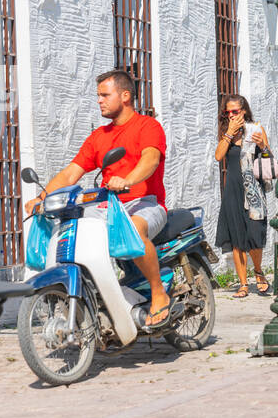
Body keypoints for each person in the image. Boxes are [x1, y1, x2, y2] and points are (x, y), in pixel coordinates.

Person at [26, 69, 171, 328]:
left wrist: (128, 179)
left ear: (125, 96)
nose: (99, 100)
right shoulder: (99, 137)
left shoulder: (148, 126)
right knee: (71, 232)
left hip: (145, 203)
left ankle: (158, 292)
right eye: (98, 96)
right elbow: (72, 172)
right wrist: (42, 197)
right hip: (108, 207)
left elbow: (150, 159)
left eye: (105, 95)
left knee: (134, 230)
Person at [214, 94, 272, 299]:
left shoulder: (256, 129)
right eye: (227, 112)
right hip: (233, 190)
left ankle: (258, 271)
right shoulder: (226, 133)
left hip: (254, 189)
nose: (231, 115)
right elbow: (218, 156)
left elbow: (268, 159)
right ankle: (243, 283)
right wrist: (229, 134)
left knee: (255, 235)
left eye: (235, 112)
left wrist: (263, 146)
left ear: (244, 111)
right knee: (237, 238)